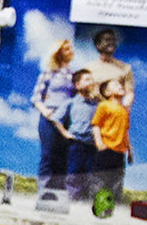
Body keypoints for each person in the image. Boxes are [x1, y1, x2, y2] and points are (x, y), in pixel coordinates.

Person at [31, 37, 79, 193]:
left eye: (70, 48)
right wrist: (45, 111)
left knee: (64, 156)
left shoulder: (74, 75)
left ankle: (58, 194)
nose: (70, 51)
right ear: (58, 53)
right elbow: (36, 97)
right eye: (66, 49)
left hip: (67, 120)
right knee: (48, 155)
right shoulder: (49, 73)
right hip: (50, 118)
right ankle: (43, 192)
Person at [89, 77, 131, 208]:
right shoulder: (104, 105)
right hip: (106, 148)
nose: (120, 86)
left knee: (117, 180)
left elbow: (125, 131)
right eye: (115, 85)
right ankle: (94, 205)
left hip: (120, 152)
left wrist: (130, 150)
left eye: (120, 84)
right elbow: (96, 125)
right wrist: (99, 143)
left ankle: (112, 207)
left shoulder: (125, 110)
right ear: (107, 93)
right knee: (100, 178)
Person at [64, 67, 101, 201]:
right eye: (87, 79)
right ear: (77, 85)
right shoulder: (72, 102)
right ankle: (71, 199)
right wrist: (65, 133)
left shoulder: (96, 105)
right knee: (74, 173)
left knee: (89, 174)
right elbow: (56, 119)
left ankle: (84, 202)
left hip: (92, 145)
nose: (91, 82)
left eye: (92, 79)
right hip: (76, 143)